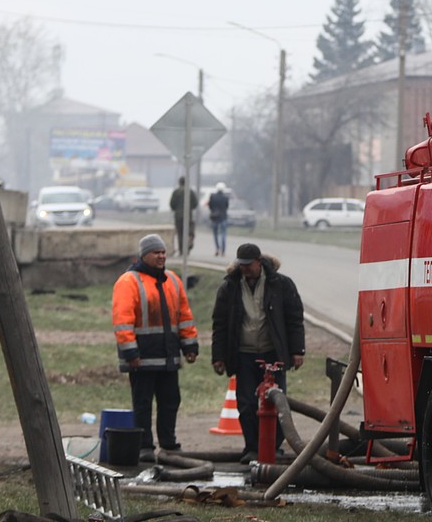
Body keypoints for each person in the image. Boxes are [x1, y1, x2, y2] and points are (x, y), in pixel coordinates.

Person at [211, 242, 305, 463]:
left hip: (273, 354)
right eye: (241, 265)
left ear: (259, 262)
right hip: (243, 355)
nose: (245, 269)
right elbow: (220, 324)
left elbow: (294, 319)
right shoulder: (229, 287)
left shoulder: (281, 284)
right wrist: (218, 356)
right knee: (246, 403)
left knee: (277, 402)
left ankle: (273, 447)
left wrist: (297, 351)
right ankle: (252, 448)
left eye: (249, 264)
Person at [111, 233, 199, 461]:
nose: (161, 257)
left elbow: (184, 316)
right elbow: (122, 320)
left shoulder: (172, 280)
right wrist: (130, 352)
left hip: (168, 356)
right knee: (143, 404)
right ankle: (145, 447)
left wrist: (190, 345)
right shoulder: (128, 281)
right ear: (144, 255)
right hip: (142, 358)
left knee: (170, 401)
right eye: (156, 253)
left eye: (163, 252)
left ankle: (169, 444)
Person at [169, 176, 198, 254]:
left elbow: (172, 204)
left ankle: (181, 250)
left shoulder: (176, 192)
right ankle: (188, 245)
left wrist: (177, 209)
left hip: (178, 216)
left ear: (179, 182)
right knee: (189, 231)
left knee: (180, 233)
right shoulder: (190, 191)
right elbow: (195, 204)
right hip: (188, 215)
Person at [207, 182, 230, 256]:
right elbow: (226, 207)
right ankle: (223, 251)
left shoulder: (212, 196)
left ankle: (217, 249)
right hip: (223, 217)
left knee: (215, 234)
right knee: (223, 234)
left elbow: (210, 206)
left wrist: (213, 211)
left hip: (215, 217)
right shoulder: (225, 197)